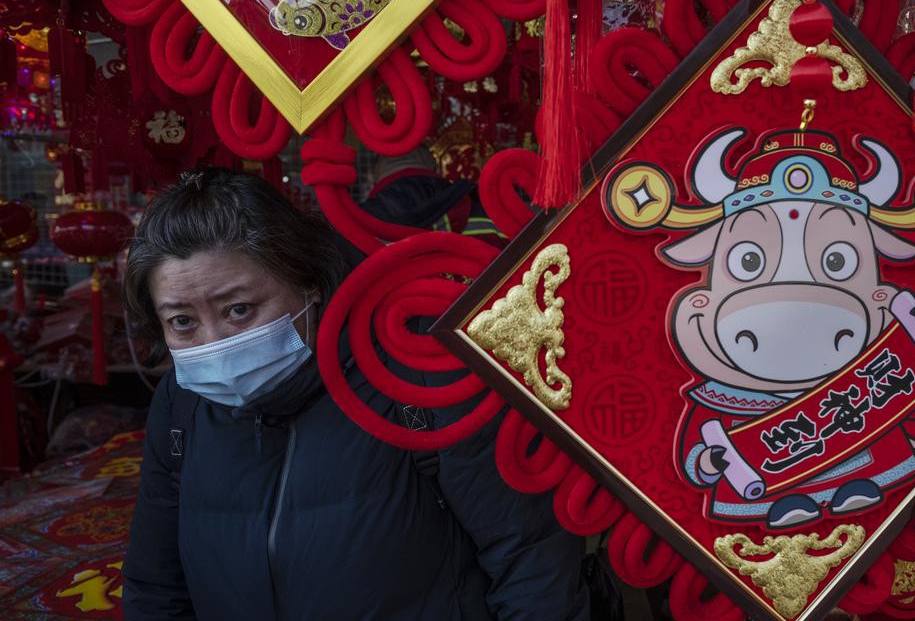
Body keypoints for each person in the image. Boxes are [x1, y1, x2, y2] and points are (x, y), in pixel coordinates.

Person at [121, 167, 588, 620]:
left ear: (308, 285)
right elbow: (156, 585)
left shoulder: (418, 374)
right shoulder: (180, 407)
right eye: (182, 321)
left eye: (239, 309)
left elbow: (530, 560)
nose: (215, 342)